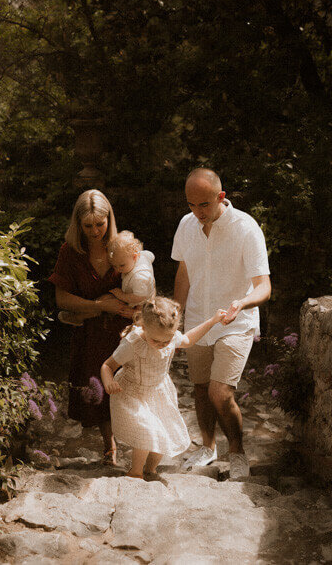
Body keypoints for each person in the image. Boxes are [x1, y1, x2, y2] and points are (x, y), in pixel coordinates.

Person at [172, 168, 271, 479]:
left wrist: (241, 303)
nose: (198, 212)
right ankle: (207, 447)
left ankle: (237, 453)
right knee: (200, 389)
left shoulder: (246, 228)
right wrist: (175, 315)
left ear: (221, 197)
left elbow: (264, 286)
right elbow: (184, 274)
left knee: (220, 393)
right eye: (191, 205)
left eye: (204, 204)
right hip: (199, 320)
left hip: (236, 322)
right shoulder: (187, 226)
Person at [101, 297, 226, 479]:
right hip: (132, 392)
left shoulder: (169, 334)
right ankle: (135, 472)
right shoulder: (133, 343)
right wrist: (108, 382)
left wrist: (213, 321)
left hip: (158, 392)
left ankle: (150, 469)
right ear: (143, 326)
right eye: (156, 341)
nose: (162, 345)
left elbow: (188, 339)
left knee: (163, 432)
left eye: (166, 342)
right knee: (147, 430)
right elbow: (107, 365)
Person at [48, 189, 131, 466]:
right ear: (77, 224)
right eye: (88, 225)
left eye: (100, 223)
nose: (95, 231)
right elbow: (61, 298)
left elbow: (143, 282)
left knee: (132, 387)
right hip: (91, 333)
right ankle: (110, 446)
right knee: (100, 389)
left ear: (110, 219)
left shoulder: (122, 245)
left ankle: (141, 444)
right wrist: (99, 305)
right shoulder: (70, 252)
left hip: (125, 332)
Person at [108, 230, 156, 307]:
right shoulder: (142, 256)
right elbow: (150, 255)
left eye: (122, 265)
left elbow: (140, 297)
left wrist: (121, 295)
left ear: (135, 257)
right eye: (114, 266)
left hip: (141, 306)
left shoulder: (139, 277)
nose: (118, 269)